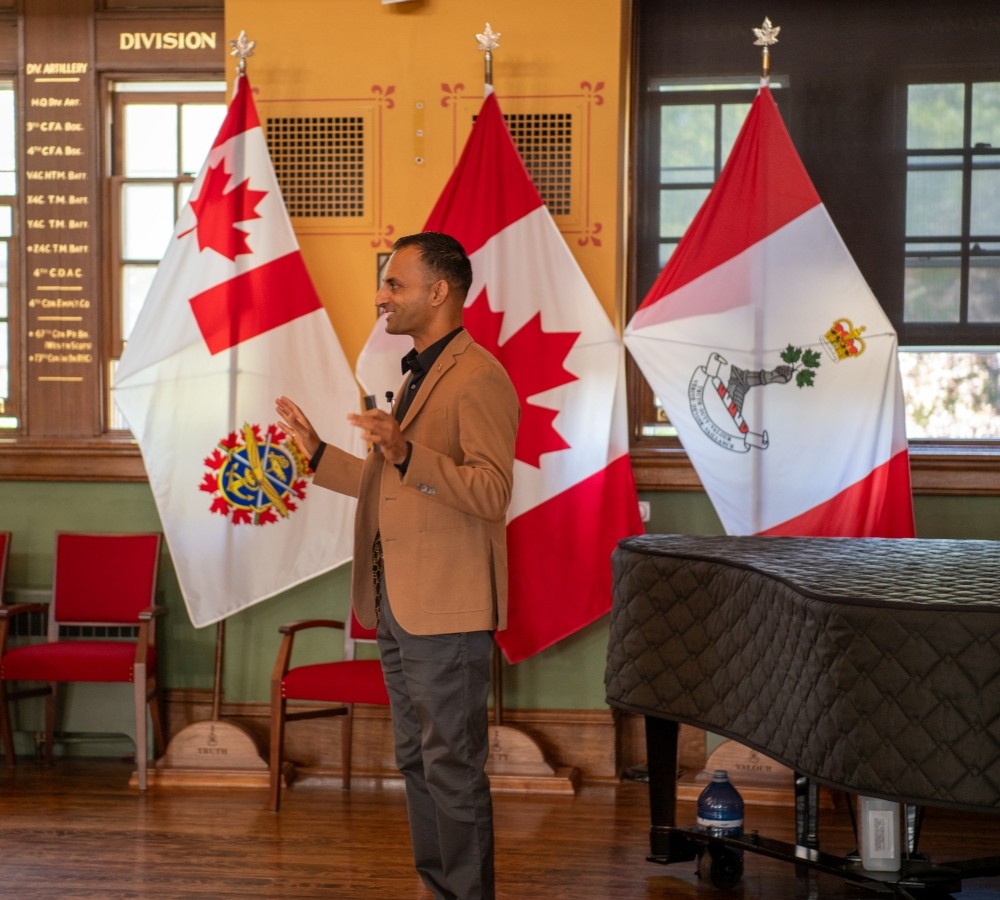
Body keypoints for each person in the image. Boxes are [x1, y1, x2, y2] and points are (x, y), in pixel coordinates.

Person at [275, 231, 519, 900]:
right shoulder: (415, 372)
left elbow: (492, 492)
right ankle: (437, 889)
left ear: (439, 292)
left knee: (451, 765)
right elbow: (393, 486)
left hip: (447, 608)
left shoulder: (479, 375)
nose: (381, 296)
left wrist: (409, 450)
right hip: (395, 604)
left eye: (395, 284)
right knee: (417, 759)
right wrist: (319, 453)